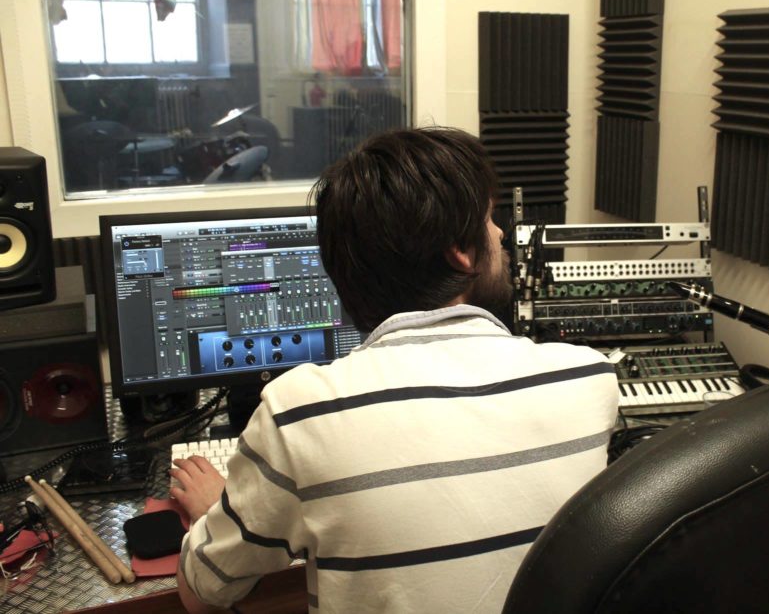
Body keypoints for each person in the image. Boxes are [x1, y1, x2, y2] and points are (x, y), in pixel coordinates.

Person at [169, 127, 620, 613]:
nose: (501, 234)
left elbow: (203, 593)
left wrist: (213, 514)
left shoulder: (301, 413)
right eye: (490, 220)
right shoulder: (586, 379)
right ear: (461, 253)